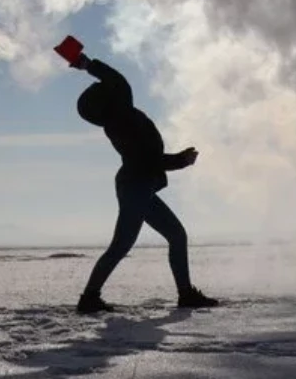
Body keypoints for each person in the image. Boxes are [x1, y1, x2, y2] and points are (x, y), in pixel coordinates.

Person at [67, 47, 219, 314]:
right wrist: (180, 161)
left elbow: (118, 82)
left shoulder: (118, 119)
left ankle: (185, 294)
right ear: (107, 99)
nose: (114, 88)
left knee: (175, 235)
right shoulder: (123, 120)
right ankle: (89, 298)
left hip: (140, 187)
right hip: (136, 187)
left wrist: (86, 64)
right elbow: (149, 160)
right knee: (122, 245)